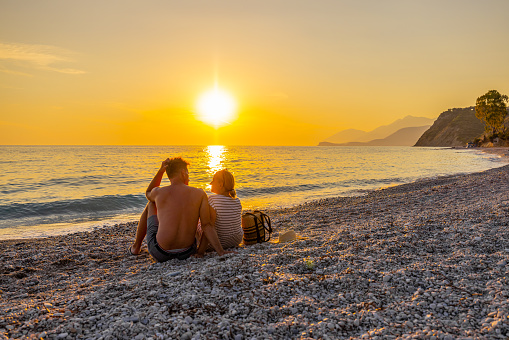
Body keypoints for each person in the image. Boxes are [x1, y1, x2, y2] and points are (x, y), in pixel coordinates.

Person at [129, 157, 229, 262]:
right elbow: (207, 225)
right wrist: (220, 251)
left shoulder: (159, 192)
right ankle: (137, 246)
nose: (189, 177)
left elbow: (148, 192)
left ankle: (136, 247)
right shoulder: (200, 193)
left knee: (151, 204)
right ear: (183, 172)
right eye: (188, 173)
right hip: (187, 252)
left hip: (160, 253)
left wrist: (160, 171)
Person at [196, 169, 243, 256]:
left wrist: (200, 252)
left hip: (218, 243)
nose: (210, 183)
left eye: (213, 181)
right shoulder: (237, 201)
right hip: (236, 241)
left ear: (220, 184)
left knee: (198, 223)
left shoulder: (212, 200)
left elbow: (208, 226)